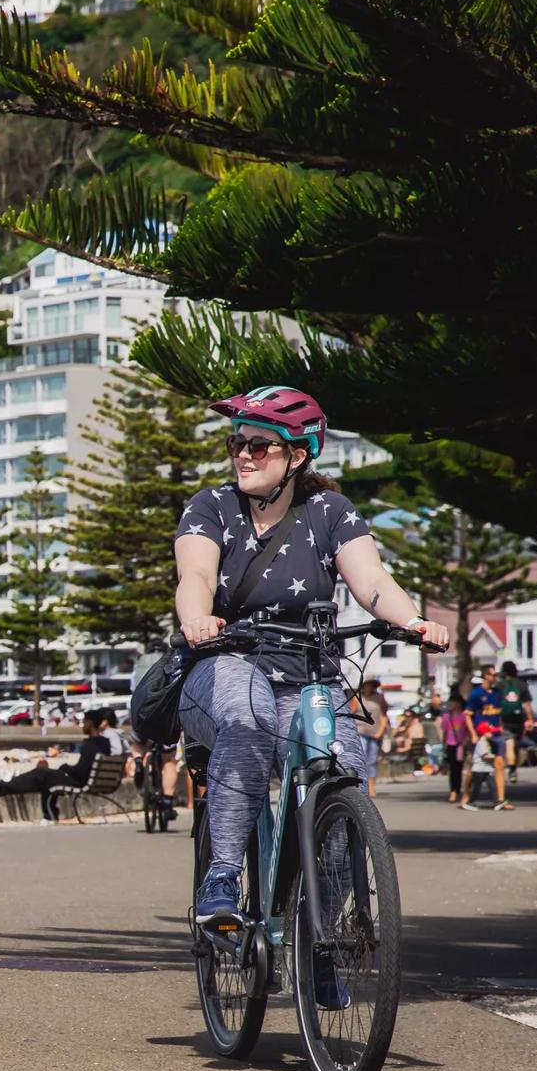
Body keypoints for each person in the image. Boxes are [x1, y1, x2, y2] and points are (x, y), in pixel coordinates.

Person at [173, 384, 449, 925]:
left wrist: (412, 620)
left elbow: (372, 580)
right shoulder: (212, 506)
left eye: (260, 446)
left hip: (306, 680)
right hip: (225, 663)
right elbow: (196, 575)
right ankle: (223, 875)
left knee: (346, 771)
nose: (244, 455)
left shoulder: (329, 511)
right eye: (238, 443)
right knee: (247, 719)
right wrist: (197, 619)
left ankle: (318, 935)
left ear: (298, 456)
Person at [0, 712, 110, 821]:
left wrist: (65, 767)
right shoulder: (104, 743)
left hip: (80, 782)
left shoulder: (90, 745)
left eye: (85, 722)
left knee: (41, 774)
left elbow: (81, 772)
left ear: (91, 723)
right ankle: (49, 814)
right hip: (90, 781)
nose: (83, 724)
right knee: (44, 773)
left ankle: (1, 786)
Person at [460, 721, 513, 810]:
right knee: (476, 788)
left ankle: (496, 802)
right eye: (490, 732)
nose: (492, 733)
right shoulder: (481, 743)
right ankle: (470, 802)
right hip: (479, 770)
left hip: (487, 769)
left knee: (493, 786)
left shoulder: (487, 742)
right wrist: (495, 756)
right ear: (484, 733)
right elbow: (485, 755)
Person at [353, 678, 390, 798]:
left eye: (371, 685)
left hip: (375, 732)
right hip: (360, 730)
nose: (368, 687)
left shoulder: (379, 698)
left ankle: (372, 785)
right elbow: (351, 712)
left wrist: (381, 731)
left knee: (372, 760)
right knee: (361, 757)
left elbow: (384, 715)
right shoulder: (357, 697)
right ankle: (361, 785)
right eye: (366, 685)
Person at [498, 660, 534, 782]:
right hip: (519, 720)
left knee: (509, 743)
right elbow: (527, 705)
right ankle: (513, 769)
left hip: (504, 719)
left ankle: (511, 768)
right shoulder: (521, 684)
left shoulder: (500, 685)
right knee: (516, 746)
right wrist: (530, 719)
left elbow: (496, 705)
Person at [439, 693, 476, 802]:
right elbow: (445, 732)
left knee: (459, 769)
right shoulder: (446, 717)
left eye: (453, 702)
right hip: (451, 745)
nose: (451, 704)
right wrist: (443, 745)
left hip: (461, 745)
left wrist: (467, 741)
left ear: (458, 703)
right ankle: (453, 791)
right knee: (452, 769)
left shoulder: (465, 716)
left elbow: (469, 731)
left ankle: (458, 790)